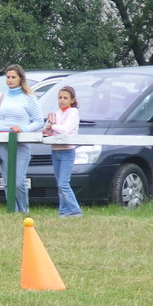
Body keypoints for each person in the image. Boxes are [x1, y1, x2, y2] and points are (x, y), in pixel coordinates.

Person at [0, 64, 45, 213]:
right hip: (3, 141)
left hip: (21, 143)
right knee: (7, 181)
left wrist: (23, 129)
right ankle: (12, 211)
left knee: (18, 181)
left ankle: (23, 211)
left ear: (20, 78)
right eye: (8, 77)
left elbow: (39, 121)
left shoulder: (29, 97)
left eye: (13, 77)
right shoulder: (1, 97)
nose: (10, 80)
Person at [44, 85, 83, 217]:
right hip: (55, 150)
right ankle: (64, 211)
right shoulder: (57, 113)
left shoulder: (73, 112)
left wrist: (53, 125)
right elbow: (47, 130)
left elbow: (65, 130)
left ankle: (75, 210)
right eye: (60, 97)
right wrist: (50, 126)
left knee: (63, 183)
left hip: (67, 151)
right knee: (59, 183)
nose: (62, 100)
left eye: (65, 98)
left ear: (72, 100)